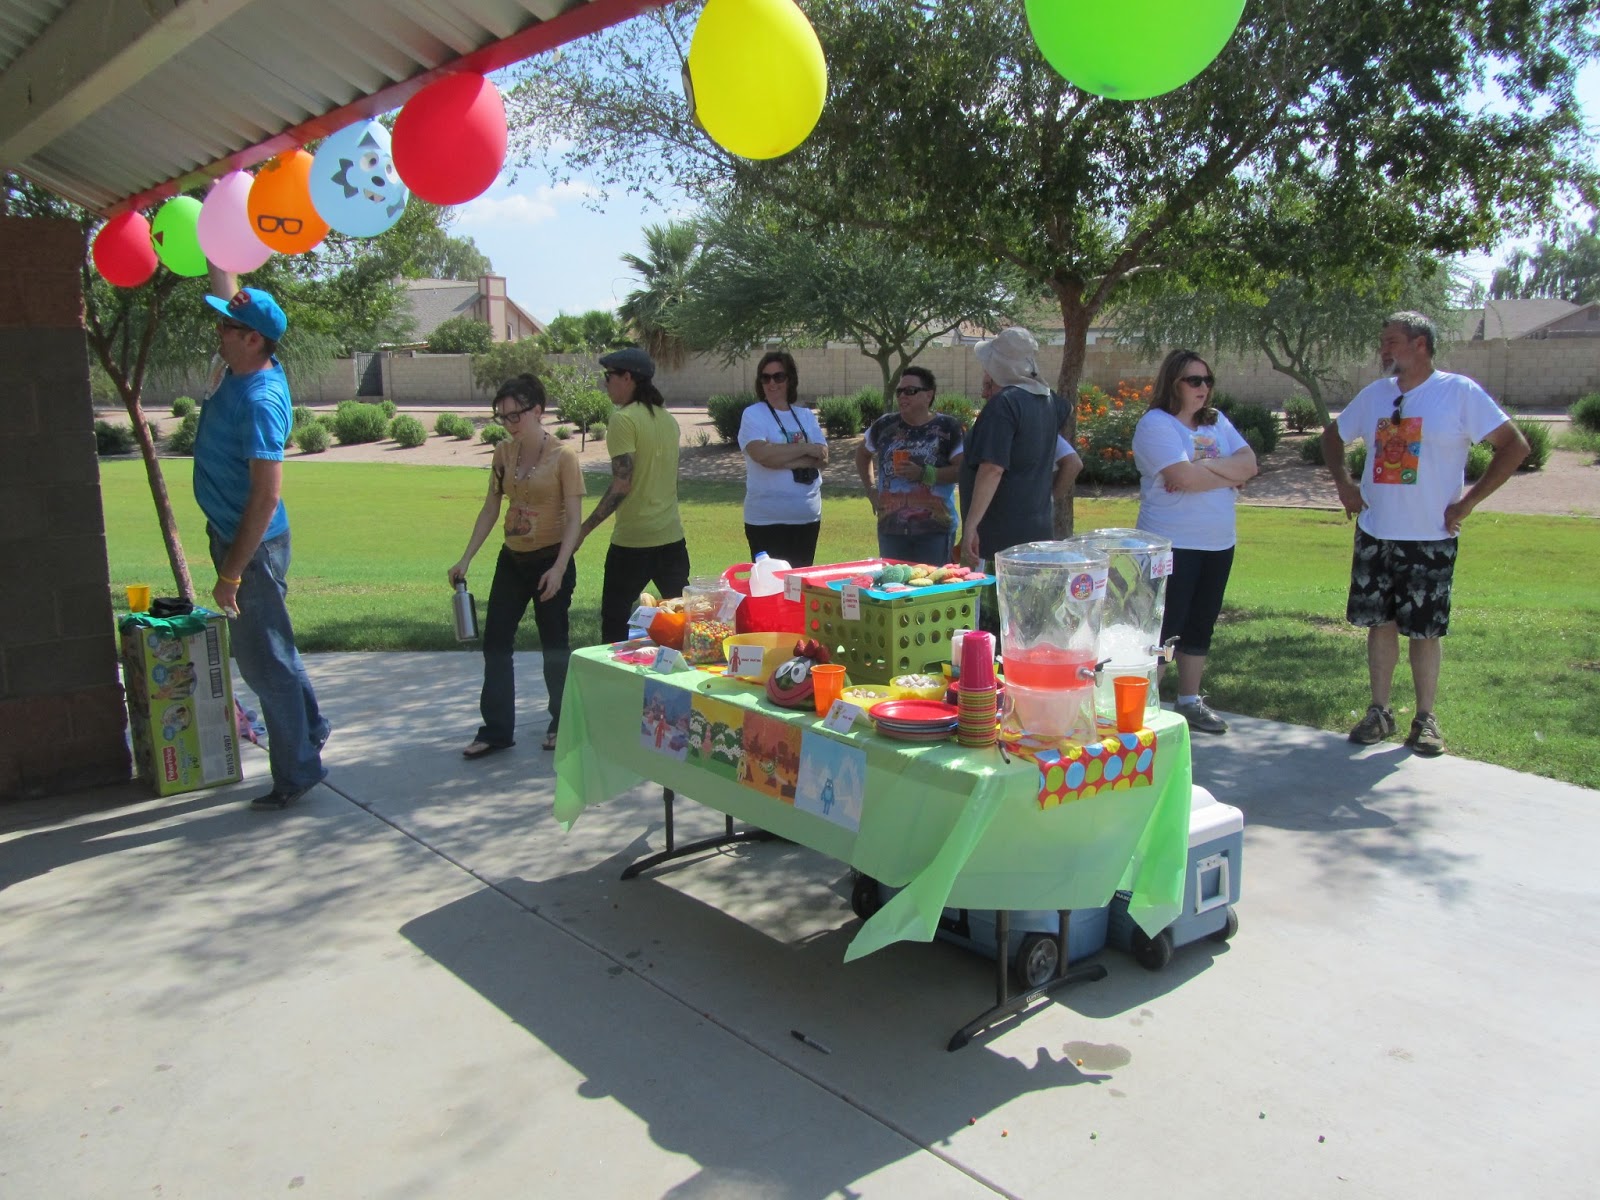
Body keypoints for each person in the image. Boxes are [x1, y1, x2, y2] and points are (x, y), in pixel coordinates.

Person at [1321, 311, 1528, 756]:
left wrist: (1467, 503)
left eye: (1392, 341)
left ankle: (1425, 720)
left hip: (1431, 537)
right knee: (1380, 625)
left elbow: (1515, 446)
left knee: (1424, 630)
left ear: (1420, 344)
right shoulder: (1376, 395)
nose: (1384, 350)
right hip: (1376, 532)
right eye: (1383, 342)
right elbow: (1332, 437)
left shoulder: (1458, 392)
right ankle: (1379, 712)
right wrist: (1344, 484)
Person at [194, 283, 329, 811]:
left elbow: (266, 496)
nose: (218, 333)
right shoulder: (241, 370)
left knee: (264, 663)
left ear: (253, 340)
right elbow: (227, 287)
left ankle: (296, 771)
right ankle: (310, 731)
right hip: (238, 540)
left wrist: (231, 573)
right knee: (276, 650)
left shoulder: (261, 400)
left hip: (251, 548)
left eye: (227, 327)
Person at [449, 375, 583, 757]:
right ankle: (495, 731)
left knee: (554, 645)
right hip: (512, 560)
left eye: (515, 415)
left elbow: (574, 519)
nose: (509, 424)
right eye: (503, 416)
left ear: (538, 411)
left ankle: (562, 722)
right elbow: (491, 507)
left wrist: (559, 568)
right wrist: (466, 557)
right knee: (495, 642)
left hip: (550, 560)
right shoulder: (503, 454)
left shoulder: (564, 457)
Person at [1132, 349, 1258, 735]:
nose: (1203, 387)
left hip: (1218, 542)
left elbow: (1250, 465)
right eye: (1194, 380)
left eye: (1208, 380)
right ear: (1173, 383)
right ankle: (1145, 710)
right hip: (1172, 543)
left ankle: (1189, 701)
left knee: (1201, 624)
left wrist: (1202, 468)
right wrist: (1225, 475)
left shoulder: (1215, 420)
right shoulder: (1156, 424)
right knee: (1165, 625)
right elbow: (1181, 478)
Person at [957, 329, 1072, 636]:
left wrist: (971, 526)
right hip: (1036, 530)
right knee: (1029, 623)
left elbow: (992, 468)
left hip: (998, 537)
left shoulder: (1005, 403)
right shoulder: (1050, 402)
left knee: (992, 625)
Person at [580, 347, 690, 643]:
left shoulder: (623, 420)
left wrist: (583, 530)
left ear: (627, 377)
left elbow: (622, 484)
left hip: (633, 543)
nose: (605, 383)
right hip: (672, 539)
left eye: (609, 376)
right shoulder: (668, 420)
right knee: (685, 629)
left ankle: (613, 676)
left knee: (614, 626)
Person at [854, 366, 964, 563]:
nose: (902, 396)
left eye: (910, 391)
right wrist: (871, 490)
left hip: (935, 530)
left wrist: (924, 474)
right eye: (899, 391)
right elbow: (862, 454)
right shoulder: (885, 425)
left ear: (928, 395)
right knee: (894, 581)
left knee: (931, 582)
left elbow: (962, 470)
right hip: (891, 529)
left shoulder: (948, 427)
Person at [738, 350, 828, 567]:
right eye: (765, 377)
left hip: (806, 518)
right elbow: (762, 455)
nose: (772, 383)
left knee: (798, 584)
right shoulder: (753, 414)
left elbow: (823, 457)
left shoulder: (805, 416)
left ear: (790, 379)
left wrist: (780, 457)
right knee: (770, 584)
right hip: (766, 520)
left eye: (778, 377)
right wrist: (805, 449)